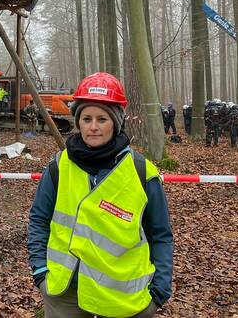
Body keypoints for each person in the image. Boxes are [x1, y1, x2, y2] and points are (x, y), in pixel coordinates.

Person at [27, 72, 173, 318]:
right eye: (86, 118)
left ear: (116, 122)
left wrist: (159, 291)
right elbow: (39, 220)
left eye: (102, 119)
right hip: (64, 295)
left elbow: (161, 234)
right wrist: (40, 272)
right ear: (78, 122)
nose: (93, 126)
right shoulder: (58, 167)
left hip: (123, 299)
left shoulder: (141, 172)